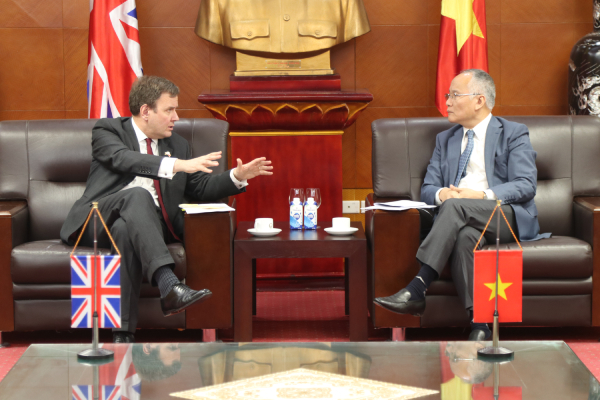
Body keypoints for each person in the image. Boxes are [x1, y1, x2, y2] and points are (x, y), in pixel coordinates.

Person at [61, 76, 273, 343]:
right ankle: (168, 283)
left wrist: (237, 176)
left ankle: (123, 334)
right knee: (137, 195)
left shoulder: (178, 145)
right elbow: (123, 159)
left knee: (125, 229)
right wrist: (176, 165)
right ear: (145, 111)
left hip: (145, 227)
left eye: (176, 109)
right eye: (169, 110)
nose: (176, 117)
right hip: (98, 218)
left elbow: (200, 187)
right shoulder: (109, 131)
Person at [374, 69, 550, 341]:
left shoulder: (513, 133)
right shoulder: (446, 140)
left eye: (455, 95)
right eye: (448, 95)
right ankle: (480, 325)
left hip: (503, 215)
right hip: (460, 217)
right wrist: (444, 194)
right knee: (465, 236)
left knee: (457, 207)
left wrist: (480, 195)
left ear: (479, 100)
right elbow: (428, 189)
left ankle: (419, 286)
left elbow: (525, 184)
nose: (447, 102)